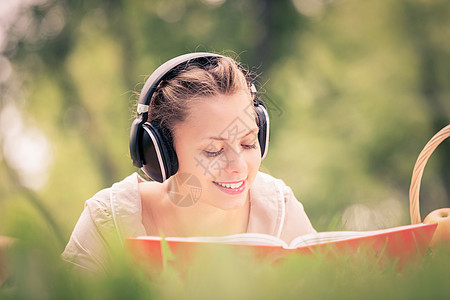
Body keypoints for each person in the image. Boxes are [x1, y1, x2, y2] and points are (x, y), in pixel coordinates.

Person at [62, 52, 316, 272]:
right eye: (214, 150)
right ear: (160, 154)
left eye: (248, 143)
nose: (238, 166)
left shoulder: (279, 210)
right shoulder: (108, 221)